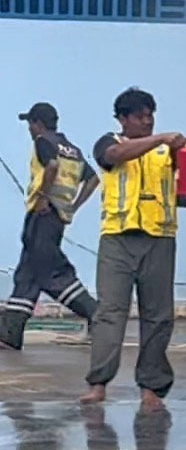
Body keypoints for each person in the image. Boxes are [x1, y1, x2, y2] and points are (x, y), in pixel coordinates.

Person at [80, 87, 186, 412]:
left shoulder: (166, 151)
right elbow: (113, 158)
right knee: (110, 313)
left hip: (160, 238)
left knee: (158, 315)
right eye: (140, 117)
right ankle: (98, 383)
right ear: (122, 119)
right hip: (117, 238)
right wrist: (162, 137)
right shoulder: (110, 143)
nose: (147, 122)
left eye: (151, 116)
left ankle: (152, 388)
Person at [0, 102, 99, 350]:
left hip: (43, 214)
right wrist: (73, 207)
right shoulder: (73, 150)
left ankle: (99, 316)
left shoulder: (43, 141)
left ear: (38, 123)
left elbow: (52, 166)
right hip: (56, 218)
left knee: (54, 273)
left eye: (30, 124)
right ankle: (9, 334)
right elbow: (93, 179)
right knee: (28, 274)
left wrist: (43, 196)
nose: (30, 130)